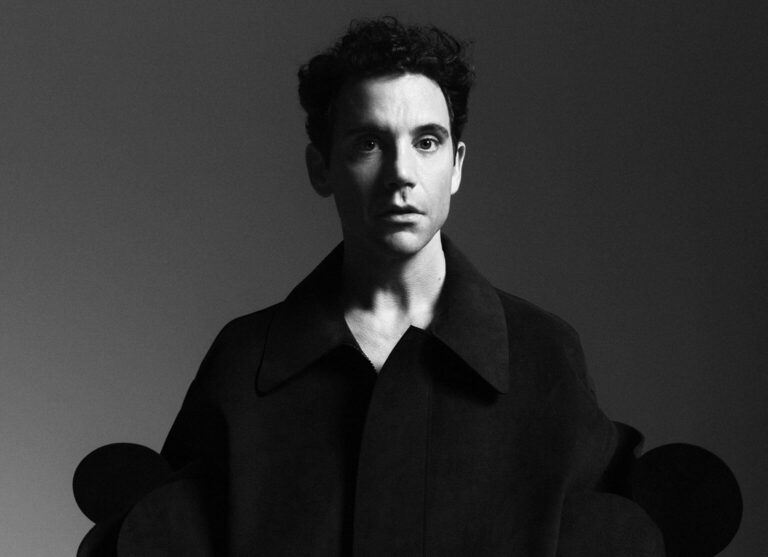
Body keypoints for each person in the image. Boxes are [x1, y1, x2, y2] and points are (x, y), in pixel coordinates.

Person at [161, 16, 663, 556]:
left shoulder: (544, 353)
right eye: (369, 143)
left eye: (427, 142)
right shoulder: (243, 361)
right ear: (321, 168)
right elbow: (160, 531)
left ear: (456, 166)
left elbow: (616, 528)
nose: (401, 172)